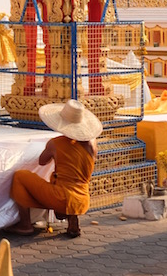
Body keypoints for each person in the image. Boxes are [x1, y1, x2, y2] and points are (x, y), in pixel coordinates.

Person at [6, 99, 100, 238]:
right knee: (61, 182)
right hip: (82, 199)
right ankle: (72, 218)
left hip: (61, 197)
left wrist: (55, 152)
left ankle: (25, 224)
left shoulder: (56, 143)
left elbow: (42, 161)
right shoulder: (92, 144)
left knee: (20, 176)